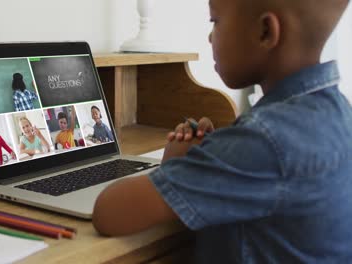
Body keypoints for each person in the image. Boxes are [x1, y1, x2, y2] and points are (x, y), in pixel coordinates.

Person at [92, 0, 352, 263]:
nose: (209, 36)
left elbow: (109, 213)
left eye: (215, 22)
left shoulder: (263, 140)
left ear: (265, 32)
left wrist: (178, 166)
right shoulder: (339, 113)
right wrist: (215, 155)